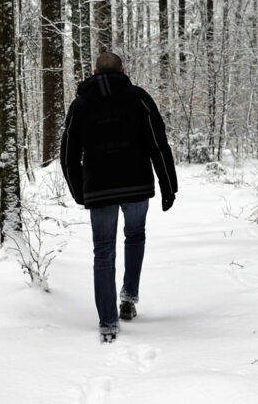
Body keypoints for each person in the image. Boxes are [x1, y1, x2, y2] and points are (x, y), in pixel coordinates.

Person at [60, 52, 178, 343]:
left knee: (103, 253)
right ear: (123, 70)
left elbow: (68, 156)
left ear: (94, 71)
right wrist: (168, 185)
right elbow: (158, 143)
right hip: (136, 184)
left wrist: (79, 192)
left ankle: (108, 324)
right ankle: (128, 298)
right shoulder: (138, 98)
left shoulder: (80, 105)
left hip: (99, 189)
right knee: (135, 236)